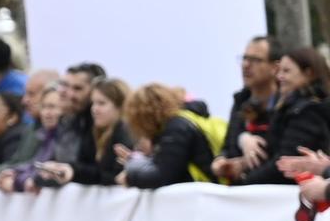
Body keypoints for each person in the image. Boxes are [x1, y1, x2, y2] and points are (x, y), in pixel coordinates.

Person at [234, 47, 330, 186]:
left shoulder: (308, 111)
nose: (279, 77)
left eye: (286, 71)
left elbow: (284, 163)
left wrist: (244, 181)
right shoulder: (289, 107)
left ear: (308, 73)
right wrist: (242, 164)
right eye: (279, 71)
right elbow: (273, 153)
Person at [119, 83, 216, 188]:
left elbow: (162, 176)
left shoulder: (176, 129)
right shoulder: (178, 124)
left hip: (204, 193)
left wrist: (130, 177)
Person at [219, 36, 281, 178]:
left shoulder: (285, 104)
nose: (246, 65)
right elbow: (228, 148)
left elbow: (282, 154)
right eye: (245, 58)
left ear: (275, 68)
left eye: (256, 60)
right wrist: (220, 161)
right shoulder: (240, 101)